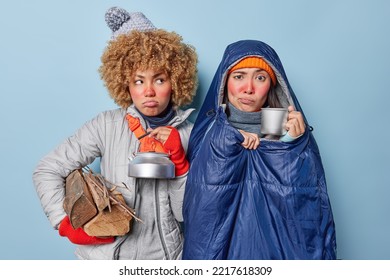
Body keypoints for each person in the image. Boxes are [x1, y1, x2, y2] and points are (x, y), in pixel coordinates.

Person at [32, 6, 198, 260]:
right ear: (125, 83)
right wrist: (64, 223)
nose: (149, 91)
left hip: (165, 259)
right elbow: (47, 169)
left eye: (160, 79)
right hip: (106, 260)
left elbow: (185, 215)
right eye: (139, 81)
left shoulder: (190, 134)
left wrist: (179, 162)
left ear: (175, 80)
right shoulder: (106, 125)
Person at [182, 40, 336, 260]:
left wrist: (291, 144)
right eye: (239, 76)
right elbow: (198, 205)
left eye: (260, 77)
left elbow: (305, 210)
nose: (248, 88)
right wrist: (226, 141)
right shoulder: (207, 132)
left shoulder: (290, 131)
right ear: (225, 82)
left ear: (272, 84)